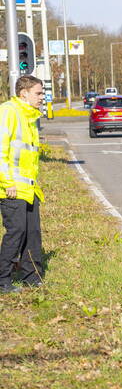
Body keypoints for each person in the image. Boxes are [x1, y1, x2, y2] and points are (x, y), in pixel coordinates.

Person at [1, 75, 46, 294]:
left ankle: (32, 278)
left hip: (29, 187)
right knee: (16, 232)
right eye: (38, 93)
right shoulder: (9, 111)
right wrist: (7, 181)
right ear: (24, 93)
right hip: (12, 187)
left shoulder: (30, 116)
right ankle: (3, 281)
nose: (42, 97)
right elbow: (1, 151)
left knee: (32, 233)